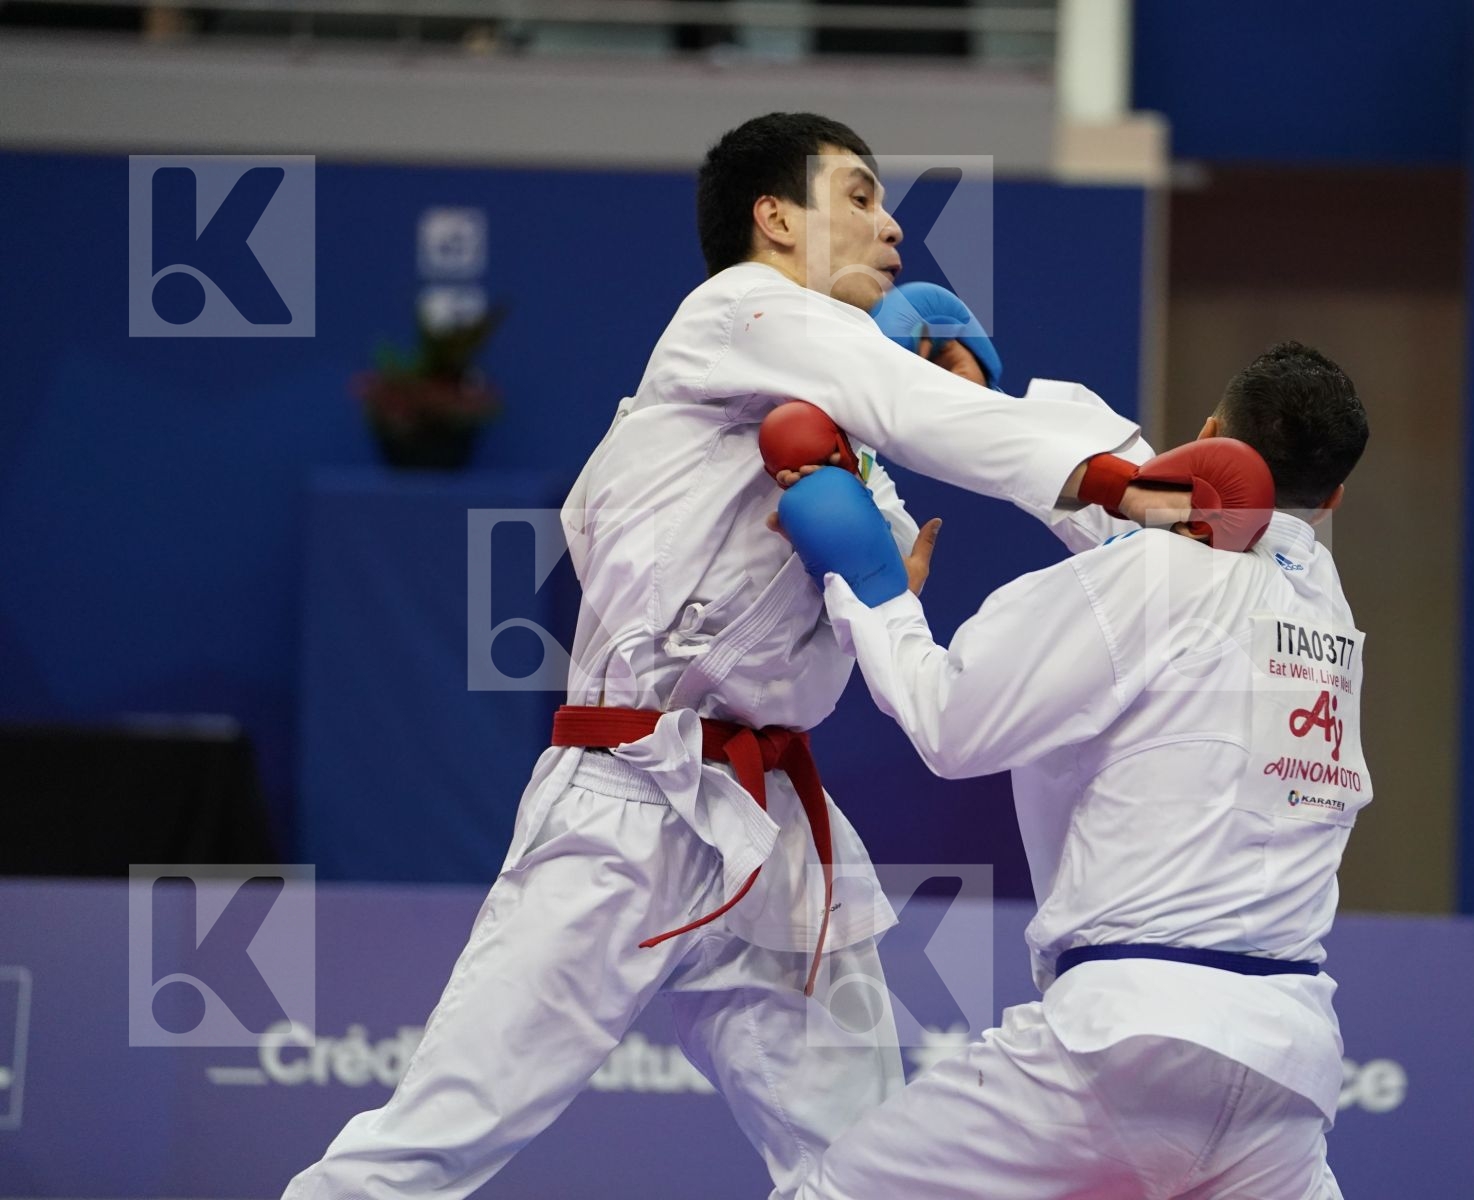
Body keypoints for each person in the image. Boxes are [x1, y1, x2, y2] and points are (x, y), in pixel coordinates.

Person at [283, 111, 1172, 1199]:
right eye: (858, 196)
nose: (892, 228)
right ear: (774, 216)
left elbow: (881, 564)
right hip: (630, 799)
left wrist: (919, 452)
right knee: (439, 1138)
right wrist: (1122, 481)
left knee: (862, 1167)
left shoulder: (827, 415)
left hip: (775, 828)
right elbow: (905, 406)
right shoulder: (734, 310)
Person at [783, 341, 1372, 1200]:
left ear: (1209, 434)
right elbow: (1151, 499)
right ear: (1334, 502)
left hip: (1126, 1046)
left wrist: (874, 594)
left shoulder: (1156, 572)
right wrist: (981, 415)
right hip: (1286, 1080)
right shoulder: (1324, 594)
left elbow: (951, 724)